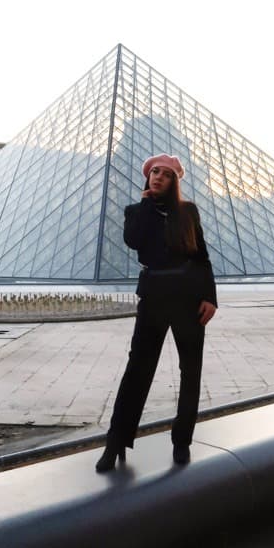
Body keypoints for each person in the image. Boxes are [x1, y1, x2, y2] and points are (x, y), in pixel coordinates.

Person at [96, 153, 217, 472]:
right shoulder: (136, 211)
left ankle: (182, 440)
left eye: (165, 173)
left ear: (175, 179)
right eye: (153, 172)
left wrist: (210, 297)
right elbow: (133, 241)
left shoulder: (188, 211)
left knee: (191, 371)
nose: (158, 177)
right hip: (153, 297)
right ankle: (116, 441)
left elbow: (202, 256)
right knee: (137, 369)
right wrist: (148, 204)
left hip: (189, 298)